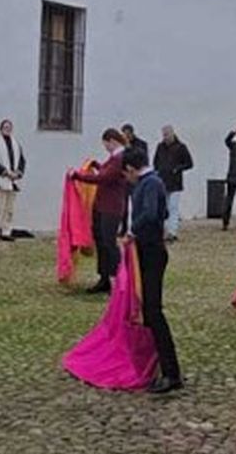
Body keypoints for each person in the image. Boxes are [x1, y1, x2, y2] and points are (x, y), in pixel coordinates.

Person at [125, 147, 182, 393]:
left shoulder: (149, 183)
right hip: (153, 248)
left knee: (153, 311)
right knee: (150, 311)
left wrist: (131, 231)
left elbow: (149, 214)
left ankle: (171, 372)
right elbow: (164, 212)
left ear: (130, 169)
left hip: (150, 250)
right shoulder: (155, 182)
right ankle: (158, 365)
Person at [72, 129, 130, 294]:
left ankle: (120, 279)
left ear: (111, 141)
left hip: (111, 208)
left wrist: (78, 176)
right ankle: (105, 279)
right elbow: (105, 170)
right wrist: (96, 165)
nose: (105, 147)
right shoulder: (115, 158)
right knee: (102, 243)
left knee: (109, 243)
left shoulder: (120, 158)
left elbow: (104, 177)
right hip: (103, 206)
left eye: (105, 144)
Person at [152, 125, 194, 242]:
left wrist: (177, 169)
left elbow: (189, 163)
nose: (165, 137)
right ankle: (164, 231)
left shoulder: (181, 147)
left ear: (172, 134)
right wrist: (157, 172)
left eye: (167, 134)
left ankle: (172, 232)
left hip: (175, 182)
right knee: (163, 208)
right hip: (162, 181)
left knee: (173, 207)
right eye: (163, 135)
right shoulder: (160, 147)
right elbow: (156, 162)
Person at [0, 119, 26, 242]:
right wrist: (6, 172)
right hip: (1, 180)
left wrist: (17, 173)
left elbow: (22, 161)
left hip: (14, 181)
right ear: (1, 129)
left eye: (9, 127)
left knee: (10, 209)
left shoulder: (16, 144)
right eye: (5, 127)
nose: (7, 129)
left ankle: (6, 231)